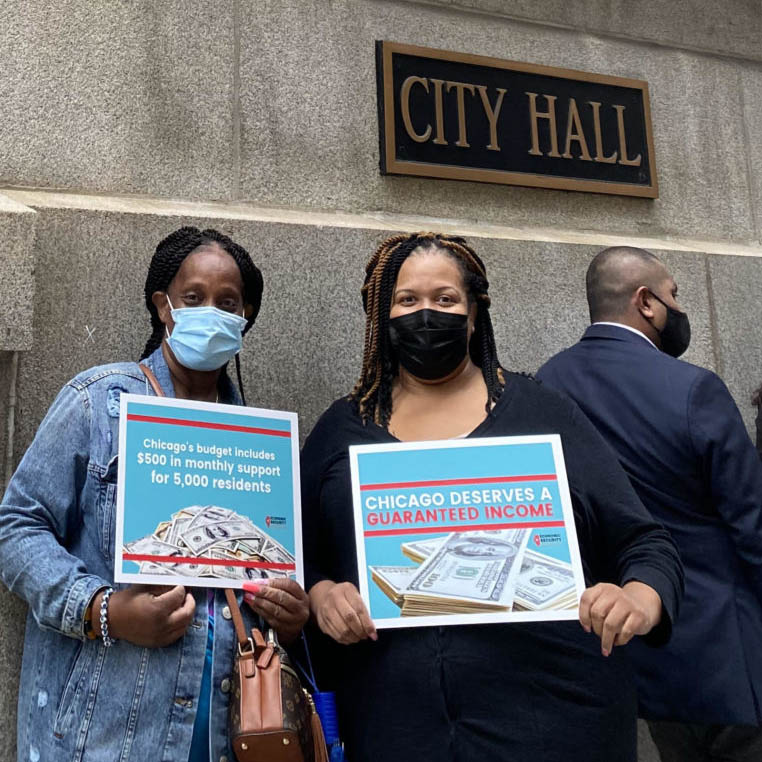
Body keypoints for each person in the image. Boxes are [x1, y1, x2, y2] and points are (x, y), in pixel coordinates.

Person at [301, 232, 683, 762]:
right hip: (400, 728)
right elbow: (297, 561)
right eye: (407, 301)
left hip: (558, 723)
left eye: (445, 299)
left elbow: (644, 541)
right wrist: (322, 596)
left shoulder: (543, 413)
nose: (426, 314)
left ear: (474, 314)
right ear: (379, 318)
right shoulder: (342, 430)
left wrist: (638, 600)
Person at [0, 226, 309, 762]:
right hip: (105, 730)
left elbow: (266, 565)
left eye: (227, 302)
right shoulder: (97, 402)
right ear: (163, 307)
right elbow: (16, 528)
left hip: (224, 733)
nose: (210, 311)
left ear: (245, 318)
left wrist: (288, 609)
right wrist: (104, 609)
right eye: (194, 298)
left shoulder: (260, 443)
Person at [537, 246, 762, 762]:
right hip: (725, 650)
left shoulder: (547, 384)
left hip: (631, 651)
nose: (677, 308)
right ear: (646, 302)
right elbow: (751, 523)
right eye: (674, 294)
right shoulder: (693, 388)